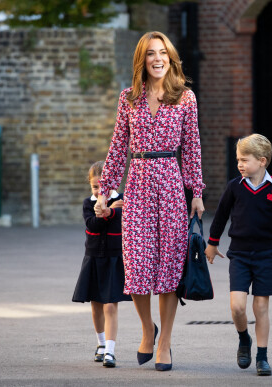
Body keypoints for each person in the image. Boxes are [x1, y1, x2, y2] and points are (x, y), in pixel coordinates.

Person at [96, 31, 205, 371]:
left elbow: (192, 148)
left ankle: (166, 343)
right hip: (139, 184)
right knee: (139, 266)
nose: (157, 59)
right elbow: (116, 149)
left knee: (170, 269)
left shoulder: (185, 98)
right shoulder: (128, 98)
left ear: (171, 58)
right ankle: (147, 330)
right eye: (150, 54)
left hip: (171, 184)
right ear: (141, 60)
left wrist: (197, 191)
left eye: (163, 53)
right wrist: (105, 191)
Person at [204, 134, 272, 376]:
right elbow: (221, 216)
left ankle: (262, 356)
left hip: (266, 254)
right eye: (238, 159)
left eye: (244, 160)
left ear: (262, 161)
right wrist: (212, 244)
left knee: (261, 307)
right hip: (239, 254)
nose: (240, 164)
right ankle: (243, 338)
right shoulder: (234, 187)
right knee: (237, 307)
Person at [72, 160, 132, 368]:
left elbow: (123, 218)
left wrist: (112, 211)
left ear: (113, 184)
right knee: (96, 305)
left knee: (110, 306)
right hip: (93, 258)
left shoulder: (122, 200)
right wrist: (107, 211)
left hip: (115, 259)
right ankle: (100, 343)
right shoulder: (88, 204)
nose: (99, 191)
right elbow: (92, 225)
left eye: (103, 187)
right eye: (95, 187)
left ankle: (110, 350)